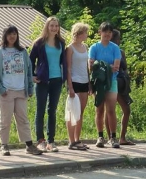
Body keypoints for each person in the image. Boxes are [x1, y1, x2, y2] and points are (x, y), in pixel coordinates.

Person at [0, 26, 43, 156]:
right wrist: (0, 89)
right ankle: (4, 145)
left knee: (23, 118)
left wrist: (30, 88)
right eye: (9, 34)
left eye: (14, 34)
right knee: (5, 119)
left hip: (21, 90)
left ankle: (29, 145)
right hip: (6, 91)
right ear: (5, 36)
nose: (12, 36)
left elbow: (29, 70)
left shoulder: (23, 51)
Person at [29, 16, 67, 153]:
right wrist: (33, 75)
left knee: (52, 110)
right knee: (40, 110)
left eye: (56, 26)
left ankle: (51, 141)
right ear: (47, 27)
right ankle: (40, 141)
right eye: (51, 25)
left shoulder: (61, 42)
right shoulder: (39, 42)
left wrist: (65, 78)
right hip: (42, 80)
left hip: (57, 80)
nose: (54, 28)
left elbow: (64, 62)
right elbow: (31, 60)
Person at [89, 22, 122, 149]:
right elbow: (91, 66)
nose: (107, 34)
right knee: (99, 109)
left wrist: (101, 65)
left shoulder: (115, 48)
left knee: (111, 109)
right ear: (100, 33)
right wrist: (107, 66)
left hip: (111, 81)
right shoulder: (94, 47)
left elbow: (116, 67)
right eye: (105, 32)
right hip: (98, 82)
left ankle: (113, 137)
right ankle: (100, 136)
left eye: (109, 32)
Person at [65, 22, 92, 151]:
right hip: (74, 81)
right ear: (80, 33)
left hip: (84, 81)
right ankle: (71, 141)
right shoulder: (70, 48)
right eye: (85, 32)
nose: (86, 34)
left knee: (80, 112)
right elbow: (68, 68)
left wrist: (90, 84)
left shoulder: (85, 46)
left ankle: (77, 139)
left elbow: (86, 67)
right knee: (72, 112)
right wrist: (70, 87)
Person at [109, 29, 136, 146]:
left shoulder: (121, 51)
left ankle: (121, 137)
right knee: (110, 110)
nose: (119, 40)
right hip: (112, 82)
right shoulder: (109, 51)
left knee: (126, 109)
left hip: (121, 83)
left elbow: (124, 67)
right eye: (117, 38)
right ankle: (112, 137)